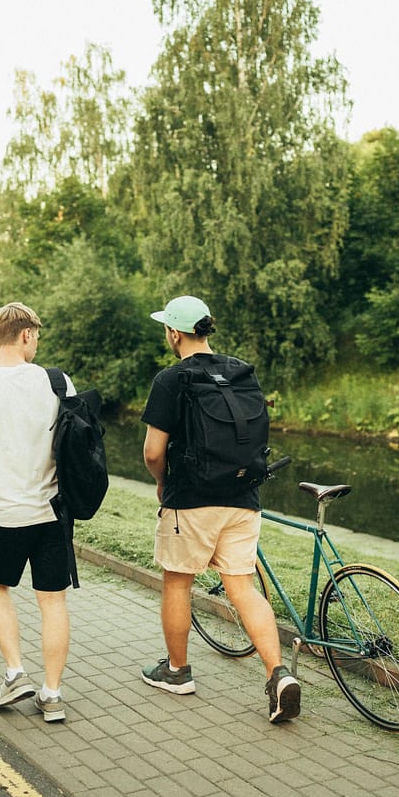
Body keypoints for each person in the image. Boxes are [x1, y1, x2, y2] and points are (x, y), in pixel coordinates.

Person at [140, 295, 301, 723]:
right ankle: (278, 674)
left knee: (177, 583)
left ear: (174, 333)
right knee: (243, 588)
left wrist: (162, 485)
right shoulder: (241, 371)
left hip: (191, 499)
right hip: (243, 497)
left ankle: (177, 672)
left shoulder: (171, 379)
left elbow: (154, 452)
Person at [0, 302, 74, 723]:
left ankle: (15, 672)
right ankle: (52, 694)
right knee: (52, 601)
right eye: (36, 335)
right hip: (52, 513)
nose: (37, 343)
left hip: (3, 515)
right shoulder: (59, 383)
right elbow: (76, 449)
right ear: (26, 334)